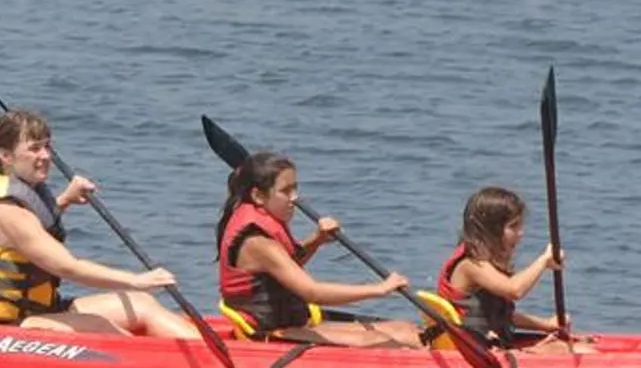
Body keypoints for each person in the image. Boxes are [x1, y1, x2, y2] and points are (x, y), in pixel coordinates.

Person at [0, 109, 201, 340]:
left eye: (47, 146)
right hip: (8, 324)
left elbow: (33, 230)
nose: (46, 156)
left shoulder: (19, 194)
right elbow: (68, 267)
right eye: (34, 149)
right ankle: (164, 362)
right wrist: (136, 281)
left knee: (141, 303)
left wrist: (64, 200)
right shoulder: (7, 212)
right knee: (98, 325)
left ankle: (210, 353)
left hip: (42, 310)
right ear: (5, 156)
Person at [215, 150, 421, 347]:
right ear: (258, 196)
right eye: (286, 191)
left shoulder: (264, 225)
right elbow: (312, 292)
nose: (295, 198)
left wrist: (317, 239)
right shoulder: (257, 242)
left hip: (292, 322)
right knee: (379, 341)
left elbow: (287, 266)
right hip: (270, 332)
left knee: (407, 331)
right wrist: (379, 289)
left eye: (295, 189)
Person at [435, 185, 578, 350]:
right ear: (491, 229)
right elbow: (514, 290)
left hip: (490, 346)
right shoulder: (471, 265)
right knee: (569, 350)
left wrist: (546, 324)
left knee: (573, 347)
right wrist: (544, 261)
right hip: (476, 353)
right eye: (513, 226)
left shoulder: (487, 265)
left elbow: (502, 316)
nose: (521, 233)